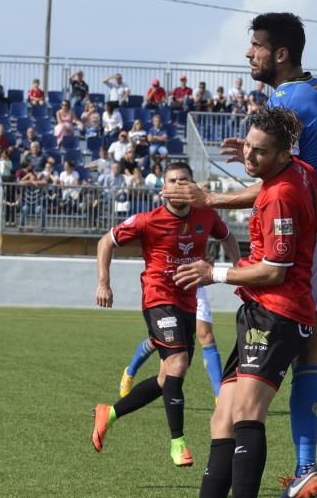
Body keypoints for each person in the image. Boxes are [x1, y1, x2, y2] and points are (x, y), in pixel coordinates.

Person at [162, 13, 317, 498]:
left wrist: (210, 198)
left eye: (256, 46)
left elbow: (282, 187)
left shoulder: (282, 101)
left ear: (280, 53)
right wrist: (257, 158)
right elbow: (299, 167)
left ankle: (306, 467)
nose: (249, 54)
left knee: (309, 349)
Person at [158, 108, 317, 498]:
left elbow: (276, 270)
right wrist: (213, 201)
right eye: (247, 146)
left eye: (260, 152)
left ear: (283, 153)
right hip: (260, 312)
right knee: (221, 417)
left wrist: (214, 272)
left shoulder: (283, 195)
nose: (250, 156)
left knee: (245, 413)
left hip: (278, 313)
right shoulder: (301, 173)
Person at [91, 162, 240, 469]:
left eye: (183, 180)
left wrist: (239, 274)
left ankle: (110, 413)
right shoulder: (149, 220)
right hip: (158, 297)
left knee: (165, 379)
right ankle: (178, 444)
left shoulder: (207, 216)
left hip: (188, 299)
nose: (177, 185)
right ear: (163, 189)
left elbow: (228, 239)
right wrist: (104, 282)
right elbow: (106, 241)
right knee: (179, 363)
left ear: (193, 185)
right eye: (171, 181)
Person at [120, 287, 229, 400]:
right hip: (170, 290)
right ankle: (130, 372)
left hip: (195, 288)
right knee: (157, 342)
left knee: (206, 337)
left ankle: (219, 395)